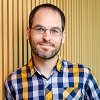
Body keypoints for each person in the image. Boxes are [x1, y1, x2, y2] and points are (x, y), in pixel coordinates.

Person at [5, 3, 100, 100]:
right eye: (40, 29)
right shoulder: (13, 82)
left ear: (63, 37)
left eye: (54, 31)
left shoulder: (84, 76)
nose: (46, 37)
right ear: (28, 32)